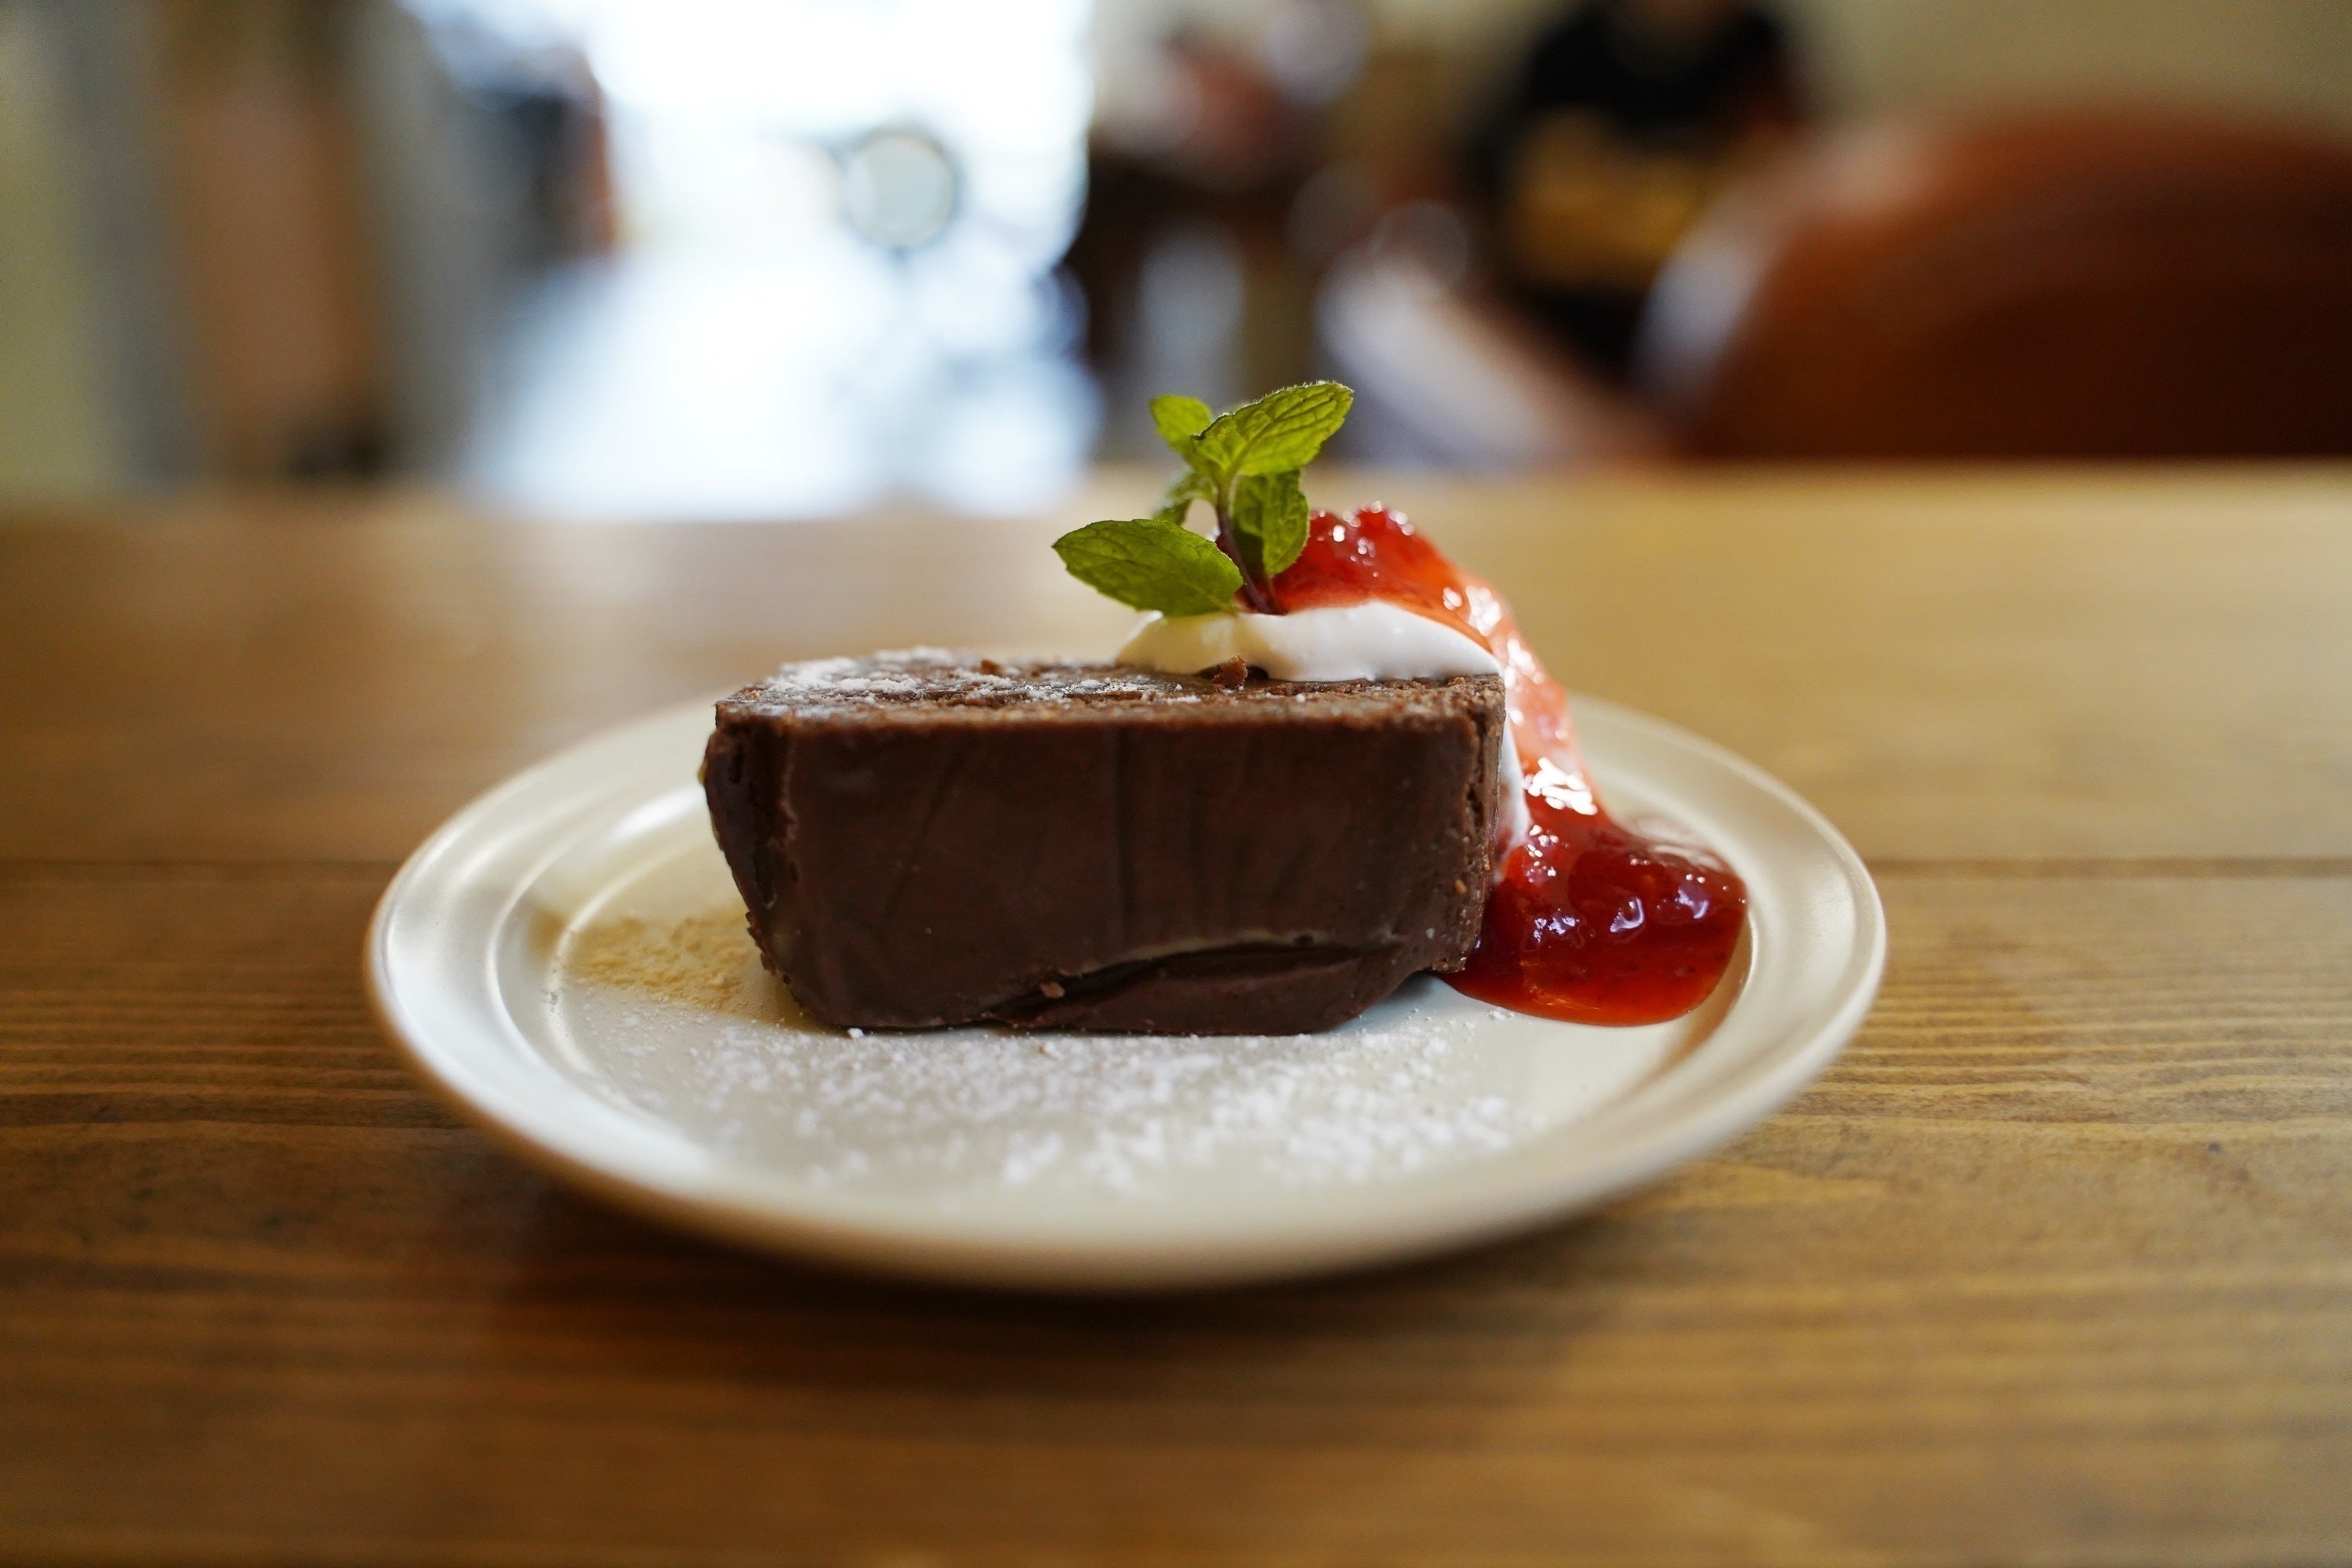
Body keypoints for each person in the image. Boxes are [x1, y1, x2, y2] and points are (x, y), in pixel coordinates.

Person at [1472, 0, 1804, 376]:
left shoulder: (1757, 45)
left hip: (1707, 311)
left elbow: (1797, 167)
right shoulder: (1569, 45)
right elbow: (1488, 164)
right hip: (1569, 315)